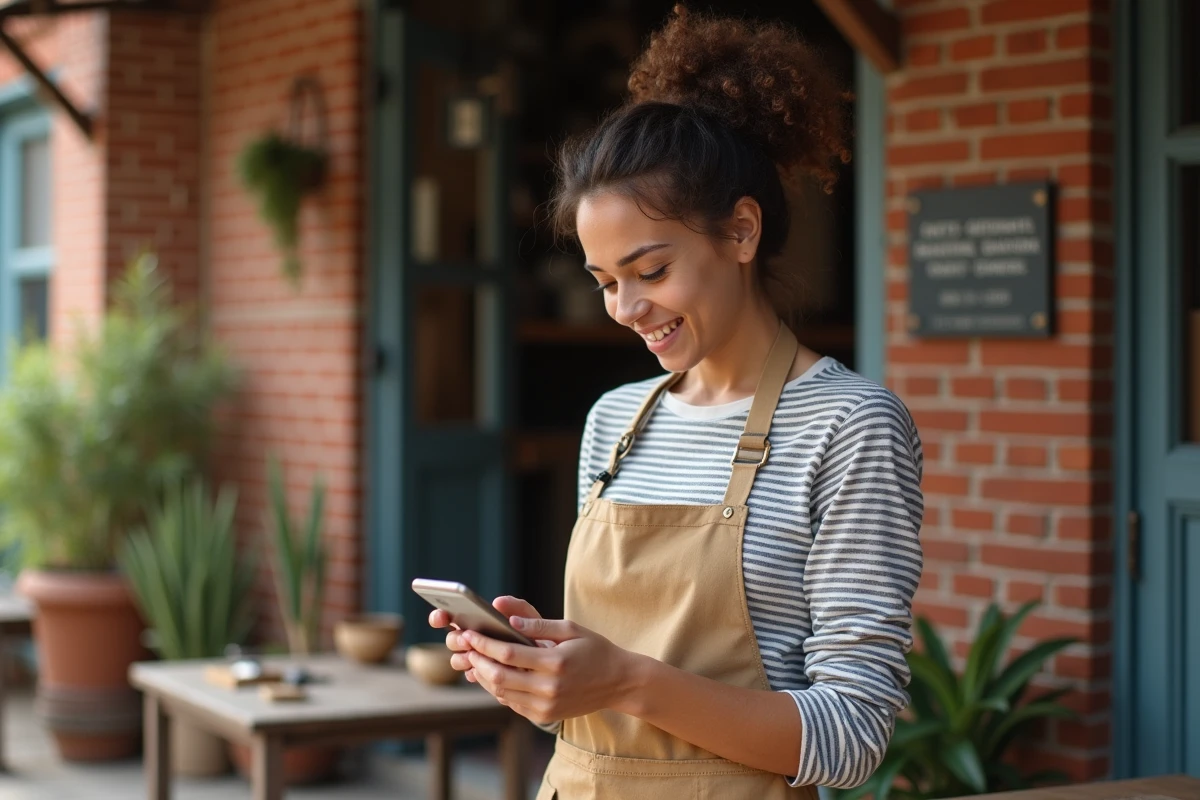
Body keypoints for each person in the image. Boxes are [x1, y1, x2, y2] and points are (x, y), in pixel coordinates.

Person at [429, 5, 924, 798]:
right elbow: (610, 711)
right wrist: (540, 671)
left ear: (741, 233)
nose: (625, 308)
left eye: (651, 271)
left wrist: (624, 680)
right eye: (605, 282)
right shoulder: (615, 422)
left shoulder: (849, 426)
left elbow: (852, 735)